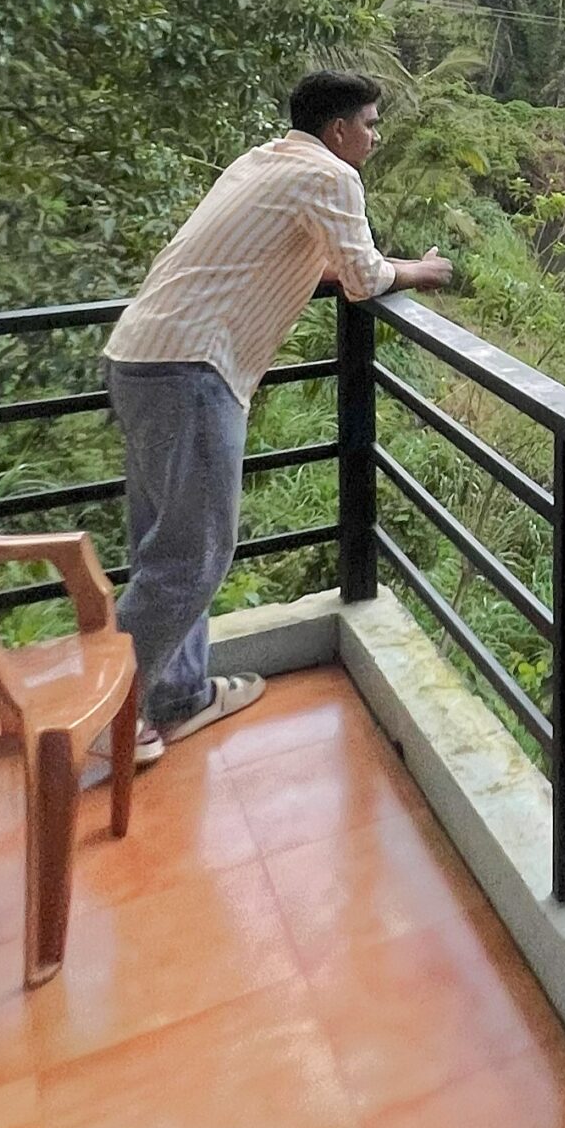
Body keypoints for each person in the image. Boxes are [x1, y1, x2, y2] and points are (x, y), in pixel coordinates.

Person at [102, 70, 453, 765]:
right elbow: (363, 278)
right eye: (372, 124)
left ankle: (177, 697)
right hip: (193, 369)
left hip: (139, 357)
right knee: (193, 557)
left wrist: (389, 262)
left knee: (164, 550)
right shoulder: (332, 176)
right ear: (338, 130)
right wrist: (424, 273)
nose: (376, 137)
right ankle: (110, 717)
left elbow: (307, 260)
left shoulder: (264, 160)